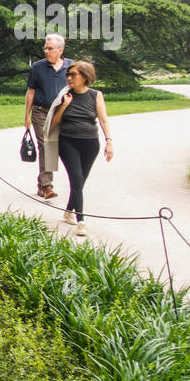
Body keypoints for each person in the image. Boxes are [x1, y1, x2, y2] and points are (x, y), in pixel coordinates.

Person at [49, 59, 113, 237]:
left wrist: (109, 141)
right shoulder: (65, 95)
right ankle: (81, 220)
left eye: (73, 75)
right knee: (76, 178)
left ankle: (69, 210)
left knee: (80, 181)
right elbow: (54, 122)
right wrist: (65, 106)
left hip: (90, 143)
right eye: (68, 75)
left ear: (85, 77)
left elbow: (103, 119)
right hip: (68, 142)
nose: (69, 78)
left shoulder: (95, 95)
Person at [23, 33, 69, 198]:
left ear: (60, 50)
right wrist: (26, 117)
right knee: (47, 145)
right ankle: (47, 186)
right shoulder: (38, 67)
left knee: (56, 146)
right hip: (40, 111)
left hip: (61, 112)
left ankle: (41, 184)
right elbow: (31, 92)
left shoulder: (70, 66)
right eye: (45, 48)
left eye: (50, 48)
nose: (46, 51)